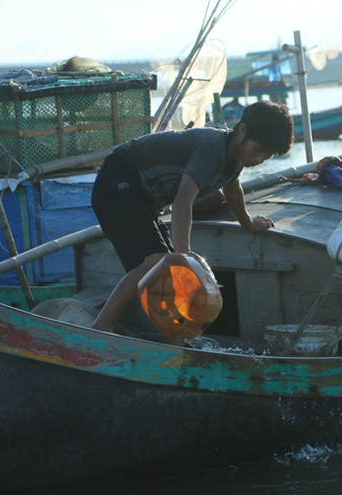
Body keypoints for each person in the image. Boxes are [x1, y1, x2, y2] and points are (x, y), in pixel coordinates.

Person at [90, 100, 294, 334]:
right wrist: (183, 256)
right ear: (242, 131)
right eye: (258, 151)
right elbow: (182, 202)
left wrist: (248, 223)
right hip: (118, 179)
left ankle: (176, 341)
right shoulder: (212, 148)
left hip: (142, 198)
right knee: (157, 261)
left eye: (266, 157)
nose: (259, 160)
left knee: (161, 269)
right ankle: (101, 326)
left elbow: (232, 190)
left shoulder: (234, 161)